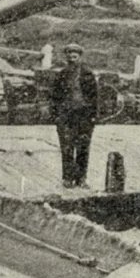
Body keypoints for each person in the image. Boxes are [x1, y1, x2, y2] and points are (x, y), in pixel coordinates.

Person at [49, 43, 100, 188]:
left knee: (83, 148)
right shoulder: (61, 75)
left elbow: (95, 97)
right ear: (66, 57)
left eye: (75, 56)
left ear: (80, 57)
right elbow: (54, 97)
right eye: (70, 56)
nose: (72, 58)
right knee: (67, 147)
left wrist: (93, 116)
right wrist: (56, 116)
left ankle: (81, 179)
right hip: (66, 116)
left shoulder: (88, 74)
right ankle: (67, 178)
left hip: (84, 116)